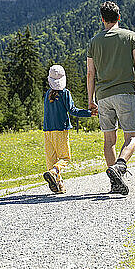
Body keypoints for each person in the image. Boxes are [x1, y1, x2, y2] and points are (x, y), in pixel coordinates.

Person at [86, 1, 135, 195]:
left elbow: (90, 73)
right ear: (119, 17)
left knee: (109, 140)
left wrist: (91, 99)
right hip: (125, 93)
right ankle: (120, 166)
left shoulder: (94, 42)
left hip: (103, 97)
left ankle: (116, 183)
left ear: (102, 19)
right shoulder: (130, 37)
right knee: (131, 135)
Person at [43, 64, 94, 193]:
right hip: (61, 129)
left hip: (47, 130)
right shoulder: (65, 93)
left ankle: (59, 184)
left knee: (52, 160)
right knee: (64, 157)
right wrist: (89, 113)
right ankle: (54, 173)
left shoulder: (48, 94)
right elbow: (73, 111)